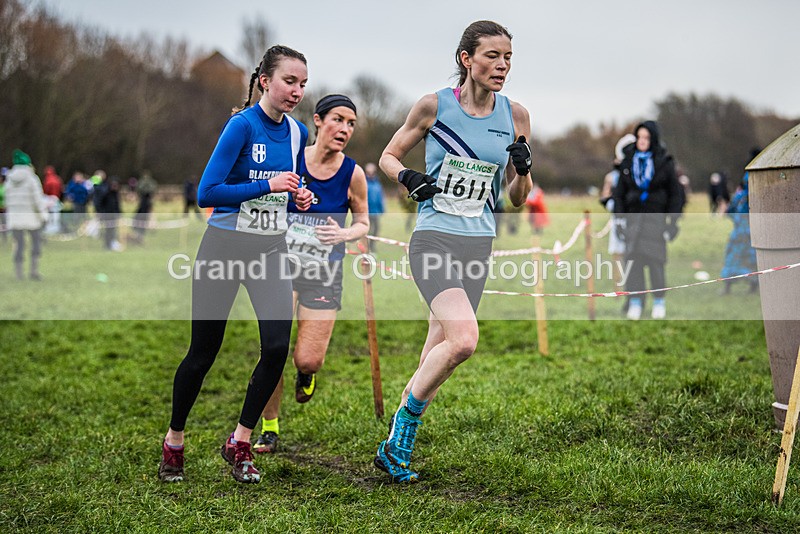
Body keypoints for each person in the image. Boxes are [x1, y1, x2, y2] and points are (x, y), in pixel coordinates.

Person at [373, 20, 532, 483]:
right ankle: (404, 428)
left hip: (478, 244)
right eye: (492, 56)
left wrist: (523, 171)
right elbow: (388, 156)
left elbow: (518, 198)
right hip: (434, 238)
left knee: (435, 352)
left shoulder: (516, 116)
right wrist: (407, 177)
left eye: (507, 57)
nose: (501, 65)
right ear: (467, 59)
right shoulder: (434, 106)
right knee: (463, 341)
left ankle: (393, 449)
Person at [158, 45, 312, 484]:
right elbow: (207, 193)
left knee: (277, 349)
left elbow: (285, 191)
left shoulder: (298, 132)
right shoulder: (241, 126)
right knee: (203, 353)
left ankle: (240, 441)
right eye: (289, 81)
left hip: (270, 250)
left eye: (303, 84)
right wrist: (268, 184)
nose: (297, 91)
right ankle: (174, 441)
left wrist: (298, 197)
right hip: (223, 248)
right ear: (265, 81)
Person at [252, 94, 369, 454]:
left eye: (351, 124)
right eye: (338, 119)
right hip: (280, 266)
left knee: (308, 359)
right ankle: (269, 427)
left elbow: (363, 222)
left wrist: (344, 234)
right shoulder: (290, 159)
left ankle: (305, 374)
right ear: (318, 121)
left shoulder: (353, 174)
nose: (345, 129)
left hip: (324, 272)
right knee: (273, 350)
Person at [613, 121, 683, 320]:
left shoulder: (665, 163)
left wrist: (672, 222)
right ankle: (635, 303)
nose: (642, 141)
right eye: (639, 137)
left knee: (655, 263)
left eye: (646, 138)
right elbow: (619, 194)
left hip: (655, 221)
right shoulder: (627, 163)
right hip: (633, 221)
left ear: (653, 139)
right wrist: (619, 220)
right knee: (633, 264)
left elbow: (675, 194)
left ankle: (659, 302)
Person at [5, 149, 48, 280]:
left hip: (15, 218)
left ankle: (19, 274)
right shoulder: (32, 179)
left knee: (19, 245)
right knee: (36, 243)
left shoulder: (9, 180)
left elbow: (7, 200)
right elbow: (38, 200)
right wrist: (44, 216)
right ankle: (33, 271)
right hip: (31, 218)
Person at [720, 153, 759, 294]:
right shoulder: (744, 195)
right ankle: (731, 286)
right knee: (741, 258)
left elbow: (731, 210)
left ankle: (748, 285)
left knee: (741, 258)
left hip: (746, 232)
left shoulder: (744, 194)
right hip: (743, 231)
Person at [600, 134, 635, 288]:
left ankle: (631, 284)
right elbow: (605, 196)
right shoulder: (612, 177)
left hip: (633, 217)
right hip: (618, 217)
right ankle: (618, 285)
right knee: (618, 252)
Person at [92, 171, 122, 251]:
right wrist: (99, 211)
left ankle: (112, 243)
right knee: (108, 230)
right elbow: (98, 201)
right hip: (106, 213)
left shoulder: (115, 194)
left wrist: (118, 213)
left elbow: (117, 204)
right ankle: (107, 245)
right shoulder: (103, 190)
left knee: (112, 230)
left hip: (113, 214)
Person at [130, 170, 157, 244]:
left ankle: (140, 236)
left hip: (145, 206)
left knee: (148, 218)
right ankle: (138, 236)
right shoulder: (149, 184)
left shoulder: (144, 184)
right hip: (144, 206)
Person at [365, 162, 385, 241]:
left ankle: (372, 245)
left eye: (372, 172)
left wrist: (382, 209)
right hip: (366, 211)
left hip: (375, 211)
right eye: (369, 172)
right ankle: (365, 245)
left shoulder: (377, 184)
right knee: (366, 230)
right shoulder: (363, 183)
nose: (370, 173)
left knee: (376, 229)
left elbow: (380, 197)